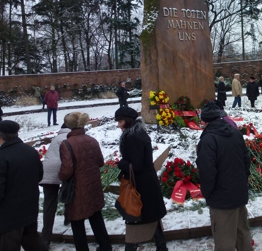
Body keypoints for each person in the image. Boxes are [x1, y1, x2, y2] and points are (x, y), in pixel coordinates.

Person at [196, 102, 253, 251]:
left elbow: (207, 172)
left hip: (221, 198)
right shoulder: (235, 132)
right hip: (239, 191)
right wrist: (243, 181)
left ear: (205, 121)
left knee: (224, 239)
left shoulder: (208, 140)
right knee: (242, 233)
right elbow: (246, 160)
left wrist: (208, 193)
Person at [0, 120, 48, 251]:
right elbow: (39, 176)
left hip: (8, 216)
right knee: (31, 240)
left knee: (7, 245)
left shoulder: (0, 158)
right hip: (29, 208)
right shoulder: (30, 151)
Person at [114, 107, 167, 251]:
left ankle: (131, 247)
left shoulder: (132, 137)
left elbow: (136, 166)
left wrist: (121, 163)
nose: (118, 124)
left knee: (134, 215)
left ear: (128, 121)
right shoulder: (138, 133)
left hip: (140, 184)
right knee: (150, 216)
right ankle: (161, 246)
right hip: (146, 183)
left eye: (120, 121)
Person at [59, 112, 112, 251]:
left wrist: (61, 177)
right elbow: (100, 162)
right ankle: (105, 246)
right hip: (93, 185)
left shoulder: (67, 143)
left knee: (77, 221)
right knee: (96, 217)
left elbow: (67, 170)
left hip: (77, 188)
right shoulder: (92, 140)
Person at [40, 124, 71, 247]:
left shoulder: (57, 137)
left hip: (47, 171)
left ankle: (46, 237)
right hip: (62, 169)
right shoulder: (69, 137)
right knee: (69, 194)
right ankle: (68, 218)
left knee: (49, 203)